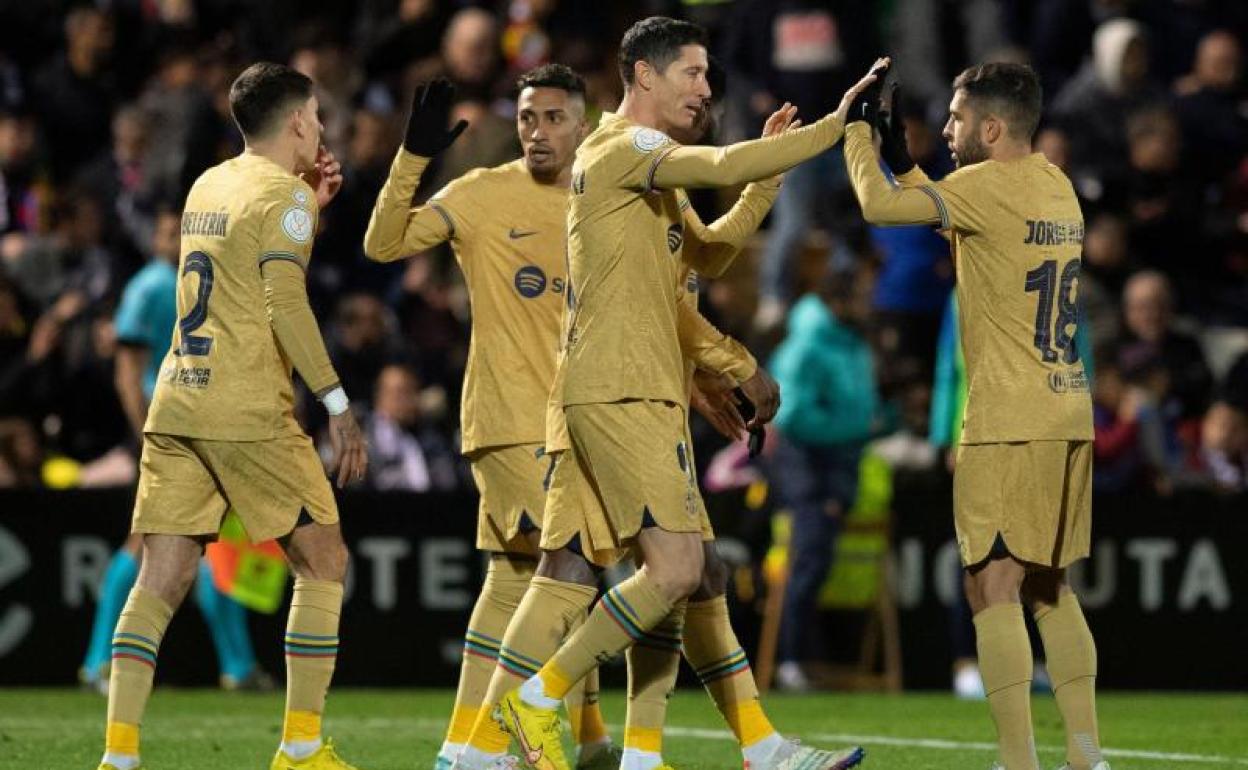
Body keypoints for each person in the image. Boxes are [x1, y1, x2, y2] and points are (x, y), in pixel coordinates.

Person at [366, 64, 785, 770]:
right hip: (514, 417)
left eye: (554, 117)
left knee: (562, 577)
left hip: (601, 411)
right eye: (527, 117)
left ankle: (512, 747)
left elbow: (702, 261)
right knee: (588, 574)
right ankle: (525, 742)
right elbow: (384, 244)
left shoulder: (629, 185)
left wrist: (764, 186)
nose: (537, 131)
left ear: (584, 124)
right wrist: (412, 156)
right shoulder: (480, 194)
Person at [493, 17, 885, 770]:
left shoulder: (647, 172)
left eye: (708, 75)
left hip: (614, 389)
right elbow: (722, 162)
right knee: (674, 570)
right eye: (692, 73)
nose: (706, 88)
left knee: (656, 572)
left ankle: (742, 748)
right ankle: (537, 703)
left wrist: (768, 173)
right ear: (643, 75)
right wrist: (838, 125)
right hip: (624, 391)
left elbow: (709, 249)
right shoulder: (627, 148)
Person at [95, 62, 369, 770]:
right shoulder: (285, 197)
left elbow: (244, 274)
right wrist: (338, 403)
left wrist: (312, 207)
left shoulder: (208, 183)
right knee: (324, 561)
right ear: (301, 121)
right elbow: (282, 304)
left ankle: (117, 756)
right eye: (317, 117)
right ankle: (302, 750)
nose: (321, 129)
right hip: (246, 409)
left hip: (179, 396)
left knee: (161, 578)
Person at [842, 60, 1106, 770]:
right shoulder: (1054, 184)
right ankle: (1086, 755)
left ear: (992, 126)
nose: (949, 131)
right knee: (1050, 585)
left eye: (958, 120)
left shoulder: (982, 187)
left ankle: (1018, 761)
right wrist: (917, 168)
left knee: (991, 582)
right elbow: (975, 225)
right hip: (1066, 408)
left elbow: (878, 208)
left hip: (1008, 415)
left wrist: (858, 138)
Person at [81, 208, 271, 695]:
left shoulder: (201, 279)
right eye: (168, 230)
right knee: (142, 543)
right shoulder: (149, 286)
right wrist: (145, 431)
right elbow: (128, 367)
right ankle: (99, 660)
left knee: (216, 547)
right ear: (155, 237)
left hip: (202, 423)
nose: (176, 238)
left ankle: (237, 665)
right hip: (164, 427)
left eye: (181, 229)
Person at [767, 263, 883, 692]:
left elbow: (856, 404)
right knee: (810, 554)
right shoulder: (809, 343)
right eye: (860, 296)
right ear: (838, 301)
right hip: (808, 462)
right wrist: (853, 427)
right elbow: (792, 413)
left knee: (820, 558)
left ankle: (805, 659)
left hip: (841, 461)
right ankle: (792, 660)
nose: (867, 303)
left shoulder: (852, 341)